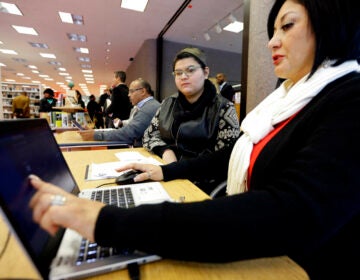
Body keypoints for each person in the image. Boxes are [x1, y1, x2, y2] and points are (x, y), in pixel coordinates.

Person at [29, 0, 360, 279]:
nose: (273, 41)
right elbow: (227, 153)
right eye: (272, 31)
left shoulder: (348, 100)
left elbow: (287, 212)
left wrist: (103, 221)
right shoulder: (285, 100)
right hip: (235, 226)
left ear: (331, 22)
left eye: (286, 26)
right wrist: (166, 169)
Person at [142, 47, 240, 192]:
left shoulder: (224, 108)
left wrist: (175, 169)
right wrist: (166, 151)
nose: (183, 76)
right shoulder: (167, 104)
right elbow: (148, 136)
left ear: (205, 72)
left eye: (190, 70)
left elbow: (223, 160)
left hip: (199, 184)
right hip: (164, 175)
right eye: (178, 73)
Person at [79, 78, 160, 147]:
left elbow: (129, 133)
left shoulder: (149, 108)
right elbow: (131, 126)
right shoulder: (143, 106)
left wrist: (97, 135)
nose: (128, 95)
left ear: (143, 91)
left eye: (131, 91)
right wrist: (96, 132)